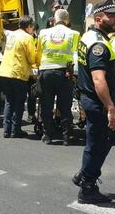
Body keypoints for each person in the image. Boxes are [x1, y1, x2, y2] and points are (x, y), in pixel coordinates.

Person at [72, 0, 115, 204]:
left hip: (91, 98)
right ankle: (88, 186)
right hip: (98, 101)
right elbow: (98, 79)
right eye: (111, 15)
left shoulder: (90, 36)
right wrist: (111, 108)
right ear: (98, 18)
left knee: (99, 140)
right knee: (99, 143)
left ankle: (84, 173)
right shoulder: (98, 44)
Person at [36, 9, 80, 145]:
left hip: (46, 72)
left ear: (54, 19)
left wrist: (39, 67)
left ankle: (47, 136)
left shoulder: (43, 33)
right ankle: (67, 136)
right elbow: (75, 54)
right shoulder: (75, 34)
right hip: (64, 73)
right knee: (65, 106)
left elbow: (38, 53)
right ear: (67, 20)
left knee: (46, 105)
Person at [0, 15, 37, 138]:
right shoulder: (28, 38)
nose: (33, 30)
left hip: (4, 71)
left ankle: (6, 129)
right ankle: (16, 130)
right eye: (32, 27)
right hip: (17, 73)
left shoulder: (12, 35)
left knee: (9, 100)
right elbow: (31, 57)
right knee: (19, 102)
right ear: (29, 27)